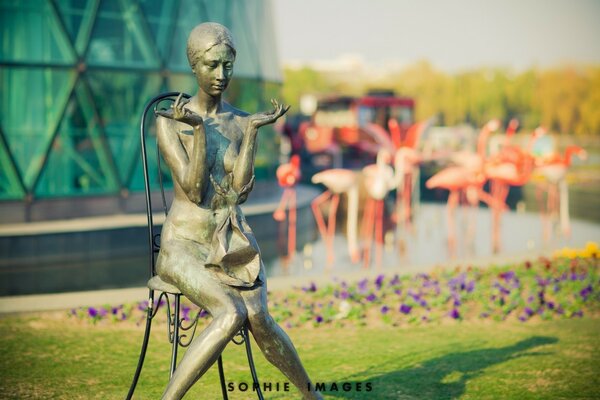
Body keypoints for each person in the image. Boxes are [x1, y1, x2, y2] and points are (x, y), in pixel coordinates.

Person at [154, 22, 322, 399]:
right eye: (212, 65)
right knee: (231, 313)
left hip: (230, 242)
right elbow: (195, 190)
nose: (221, 75)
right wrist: (198, 130)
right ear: (194, 66)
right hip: (182, 246)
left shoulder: (238, 120)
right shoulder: (169, 122)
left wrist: (252, 131)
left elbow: (239, 193)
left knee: (260, 316)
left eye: (227, 65)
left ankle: (313, 396)